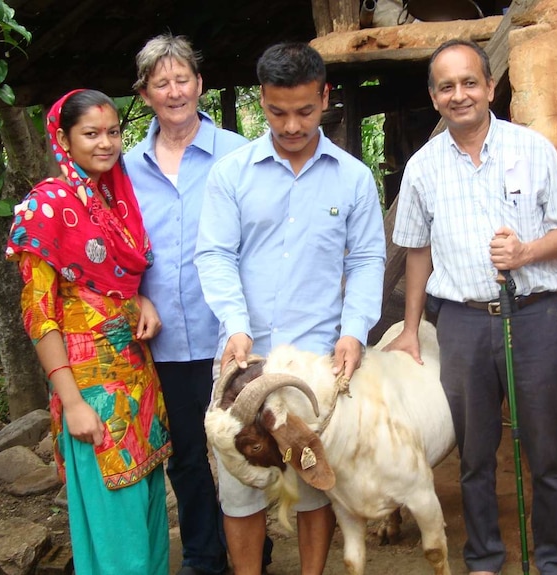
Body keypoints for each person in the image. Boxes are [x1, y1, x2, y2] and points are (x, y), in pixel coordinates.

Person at [386, 39, 557, 575]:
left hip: (534, 316)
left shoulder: (532, 148)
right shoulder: (423, 168)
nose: (460, 94)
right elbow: (417, 252)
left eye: (470, 82)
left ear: (491, 87)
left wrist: (525, 251)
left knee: (546, 455)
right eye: (446, 86)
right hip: (464, 324)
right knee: (473, 457)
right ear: (433, 97)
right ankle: (485, 559)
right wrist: (409, 328)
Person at [194, 42, 385, 575]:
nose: (292, 124)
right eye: (278, 112)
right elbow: (214, 253)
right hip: (242, 358)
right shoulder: (232, 174)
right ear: (262, 100)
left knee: (314, 483)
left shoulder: (352, 178)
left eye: (305, 110)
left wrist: (354, 331)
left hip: (315, 364)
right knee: (240, 486)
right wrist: (234, 324)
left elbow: (369, 258)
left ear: (324, 97)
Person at [5, 89, 171, 575]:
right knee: (115, 529)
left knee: (147, 517)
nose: (106, 144)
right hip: (90, 390)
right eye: (92, 134)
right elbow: (40, 314)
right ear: (63, 139)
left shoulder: (113, 201)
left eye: (114, 132)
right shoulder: (46, 207)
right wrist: (73, 402)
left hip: (137, 382)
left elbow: (113, 284)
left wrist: (142, 300)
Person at [123, 34, 252, 575]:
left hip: (230, 332)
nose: (174, 91)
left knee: (243, 445)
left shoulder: (239, 154)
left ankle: (254, 549)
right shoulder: (126, 168)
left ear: (199, 84)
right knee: (188, 455)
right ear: (146, 93)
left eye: (183, 79)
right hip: (167, 338)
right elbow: (118, 250)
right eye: (161, 83)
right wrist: (134, 298)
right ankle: (203, 554)